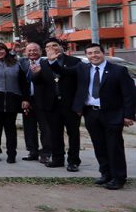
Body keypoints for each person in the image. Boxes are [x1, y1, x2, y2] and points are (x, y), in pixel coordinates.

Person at [61, 43, 135, 190]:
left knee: (114, 147)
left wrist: (129, 115)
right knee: (99, 146)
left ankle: (119, 178)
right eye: (90, 53)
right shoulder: (83, 68)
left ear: (103, 53)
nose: (93, 56)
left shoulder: (118, 70)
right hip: (91, 113)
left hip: (112, 114)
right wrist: (52, 60)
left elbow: (130, 94)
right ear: (86, 56)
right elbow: (65, 72)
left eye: (96, 52)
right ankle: (105, 174)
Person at [43, 38, 82, 171]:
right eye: (48, 46)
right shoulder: (43, 63)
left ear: (61, 47)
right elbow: (39, 82)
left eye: (55, 45)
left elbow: (78, 84)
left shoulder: (74, 62)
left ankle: (73, 161)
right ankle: (58, 159)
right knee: (55, 133)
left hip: (70, 105)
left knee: (73, 134)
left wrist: (79, 105)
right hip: (52, 105)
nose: (52, 48)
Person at [19, 43, 52, 163]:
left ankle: (46, 152)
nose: (32, 52)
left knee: (45, 128)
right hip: (28, 100)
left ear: (40, 51)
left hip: (43, 100)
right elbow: (22, 83)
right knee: (29, 127)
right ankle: (32, 151)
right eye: (29, 51)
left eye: (35, 50)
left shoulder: (46, 63)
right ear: (25, 52)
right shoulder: (23, 63)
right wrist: (25, 99)